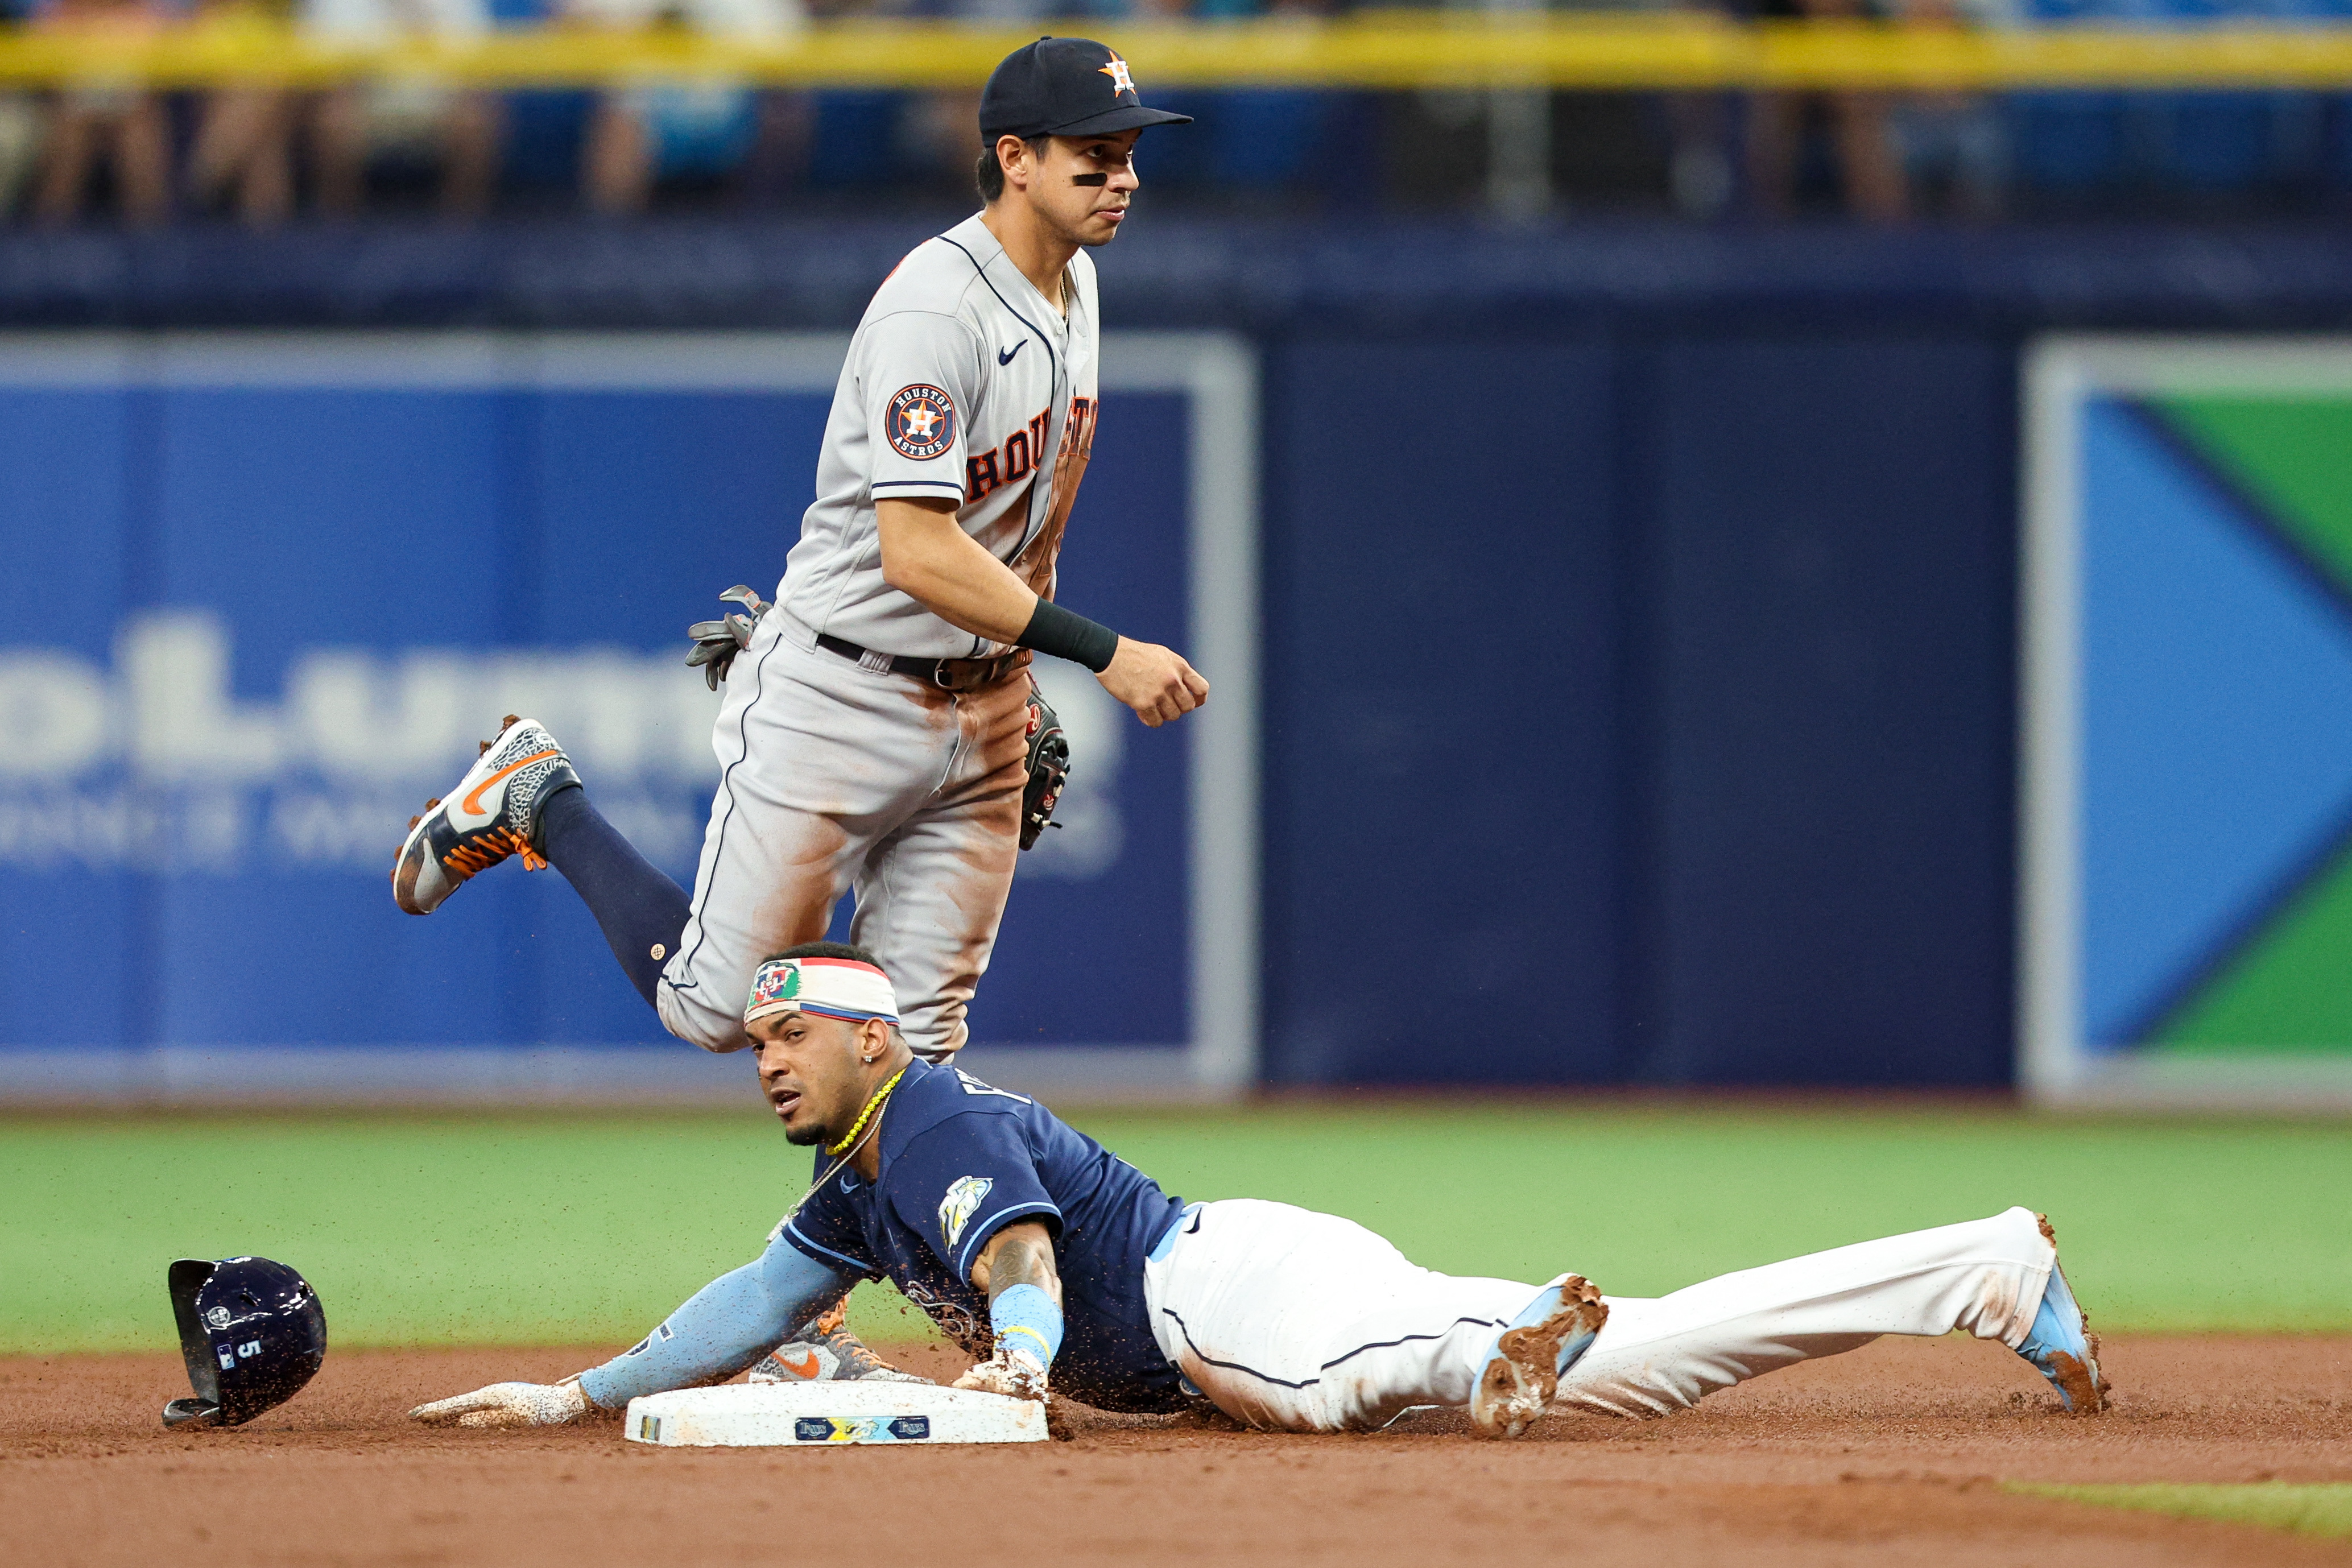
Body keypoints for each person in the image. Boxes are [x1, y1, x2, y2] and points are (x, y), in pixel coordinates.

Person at [390, 36, 1205, 1376]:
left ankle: (814, 1317)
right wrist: (1096, 653)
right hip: (843, 689)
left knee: (908, 1060)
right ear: (1012, 158)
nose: (1121, 176)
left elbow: (1020, 531)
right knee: (720, 1007)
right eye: (1092, 155)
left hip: (979, 711)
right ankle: (538, 795)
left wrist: (1015, 687)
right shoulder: (933, 310)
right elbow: (918, 551)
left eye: (1128, 153)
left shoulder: (1080, 288)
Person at [411, 943, 2111, 1435]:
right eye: (755, 1036)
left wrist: (1013, 1346)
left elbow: (1011, 1243)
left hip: (1207, 1295)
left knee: (1329, 1386)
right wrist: (582, 1391)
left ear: (876, 1038)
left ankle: (1483, 1342)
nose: (765, 1054)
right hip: (1235, 1269)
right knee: (1645, 1359)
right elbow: (755, 1303)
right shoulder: (859, 1173)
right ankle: (1978, 1263)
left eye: (795, 1031)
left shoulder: (925, 1116)